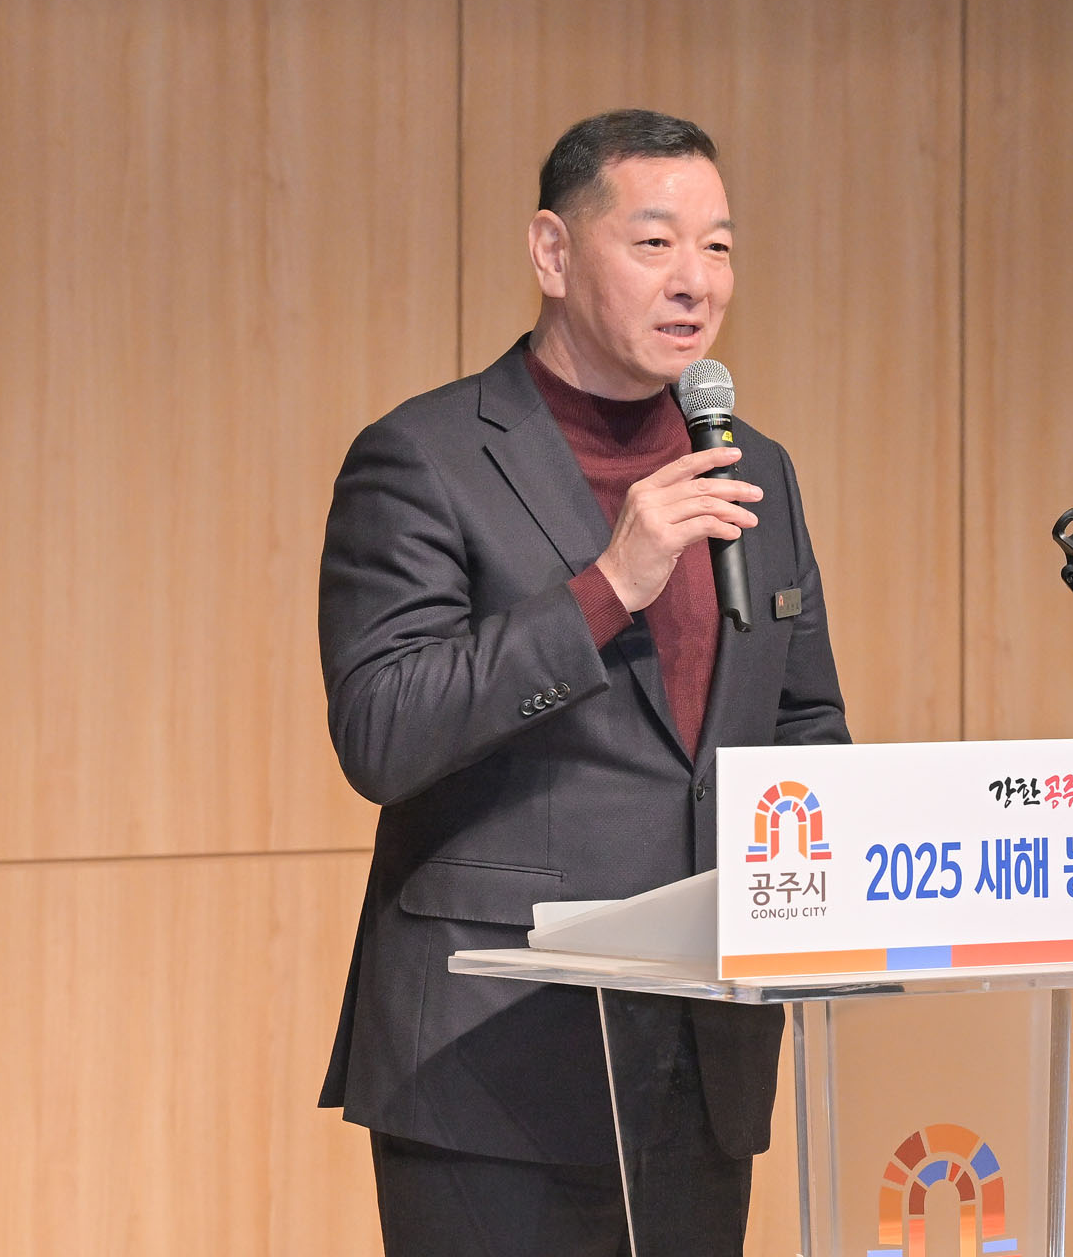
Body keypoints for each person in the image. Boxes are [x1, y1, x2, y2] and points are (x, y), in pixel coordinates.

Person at [317, 109, 850, 1256]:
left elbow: (804, 725)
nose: (696, 279)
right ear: (553, 252)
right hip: (493, 1063)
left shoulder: (752, 466)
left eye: (719, 246)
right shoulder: (426, 458)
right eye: (655, 242)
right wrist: (608, 585)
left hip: (704, 1056)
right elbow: (382, 727)